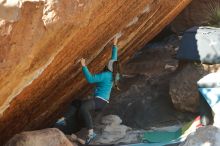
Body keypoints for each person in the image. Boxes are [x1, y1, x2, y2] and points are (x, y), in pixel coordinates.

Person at [73, 37, 121, 144]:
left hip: (99, 101)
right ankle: (68, 122)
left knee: (84, 108)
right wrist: (114, 44)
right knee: (77, 103)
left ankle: (91, 133)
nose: (109, 61)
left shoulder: (105, 75)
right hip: (103, 102)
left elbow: (90, 79)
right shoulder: (114, 74)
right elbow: (114, 58)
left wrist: (83, 66)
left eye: (109, 62)